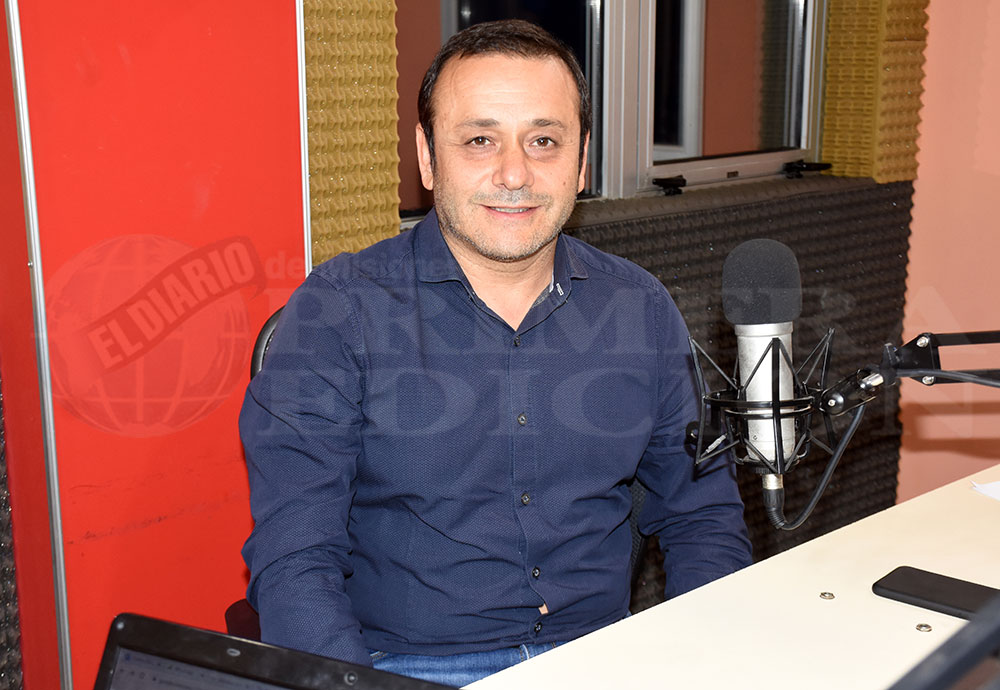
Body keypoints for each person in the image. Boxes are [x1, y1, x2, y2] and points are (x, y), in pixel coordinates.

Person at [239, 19, 752, 687]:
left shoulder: (639, 307)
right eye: (480, 140)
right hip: (407, 668)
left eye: (544, 141)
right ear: (427, 158)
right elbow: (294, 560)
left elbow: (702, 516)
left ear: (582, 161)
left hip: (602, 657)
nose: (514, 173)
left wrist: (706, 663)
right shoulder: (336, 312)